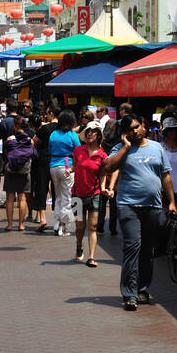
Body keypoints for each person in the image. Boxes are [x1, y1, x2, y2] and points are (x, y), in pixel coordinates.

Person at [103, 114, 176, 310]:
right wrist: (126, 148)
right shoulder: (120, 149)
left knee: (147, 249)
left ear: (143, 126)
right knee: (132, 246)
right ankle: (129, 293)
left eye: (137, 127)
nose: (135, 131)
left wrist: (171, 202)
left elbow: (165, 175)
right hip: (128, 206)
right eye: (130, 130)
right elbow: (108, 166)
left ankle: (143, 289)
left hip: (153, 206)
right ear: (125, 134)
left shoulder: (156, 148)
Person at [73, 124, 107, 266]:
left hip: (95, 194)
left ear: (98, 135)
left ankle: (91, 257)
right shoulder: (77, 150)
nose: (89, 134)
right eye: (88, 132)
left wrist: (104, 187)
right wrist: (70, 170)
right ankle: (79, 246)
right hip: (76, 195)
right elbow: (75, 166)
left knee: (92, 226)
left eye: (93, 132)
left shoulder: (103, 155)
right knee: (80, 227)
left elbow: (103, 174)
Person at [49, 110, 81, 236]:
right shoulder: (72, 135)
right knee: (67, 196)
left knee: (58, 195)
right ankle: (63, 225)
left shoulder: (53, 134)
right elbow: (78, 151)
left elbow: (50, 148)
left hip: (53, 165)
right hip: (67, 165)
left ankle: (58, 221)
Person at [2, 115, 34, 231]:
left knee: (10, 198)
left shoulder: (10, 139)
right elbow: (31, 154)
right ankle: (21, 224)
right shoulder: (30, 141)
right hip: (24, 172)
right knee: (22, 198)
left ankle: (10, 225)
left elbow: (6, 154)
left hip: (11, 171)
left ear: (15, 126)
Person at [30, 106, 56, 232]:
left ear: (51, 113)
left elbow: (33, 142)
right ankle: (59, 221)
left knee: (41, 188)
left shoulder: (45, 128)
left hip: (43, 161)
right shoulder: (63, 129)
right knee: (58, 191)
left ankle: (43, 219)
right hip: (58, 162)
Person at [97, 116, 121, 236]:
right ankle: (112, 228)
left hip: (103, 179)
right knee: (113, 206)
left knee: (102, 205)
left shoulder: (101, 146)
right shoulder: (118, 146)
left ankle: (100, 226)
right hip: (114, 180)